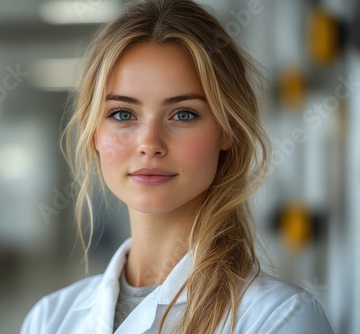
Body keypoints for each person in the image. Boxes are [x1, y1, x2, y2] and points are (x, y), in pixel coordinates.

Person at [20, 0, 334, 333]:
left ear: (228, 130)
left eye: (183, 114)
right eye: (123, 114)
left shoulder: (278, 318)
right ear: (94, 132)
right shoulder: (49, 319)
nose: (150, 143)